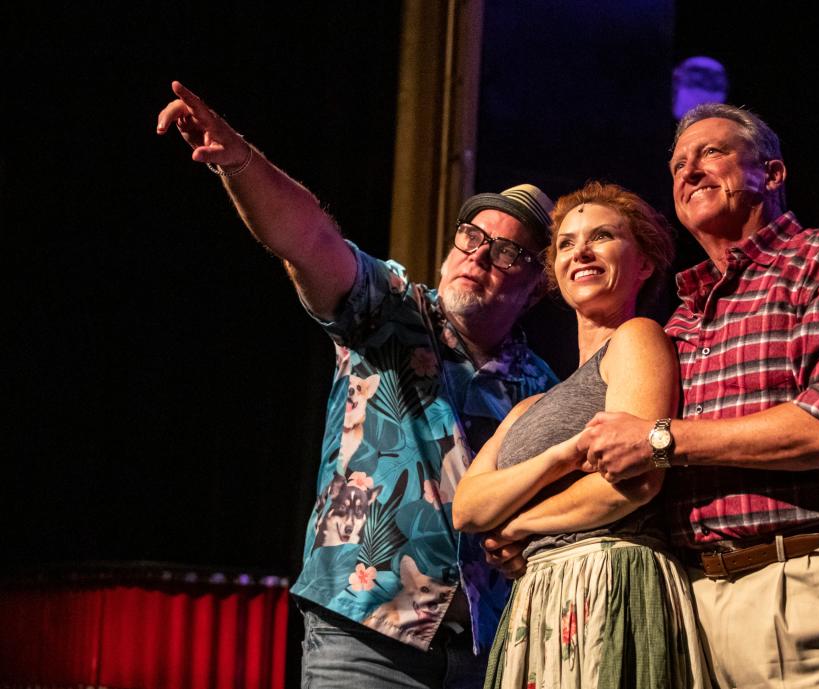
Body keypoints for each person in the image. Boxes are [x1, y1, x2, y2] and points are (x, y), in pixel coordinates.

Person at [156, 81, 559, 689]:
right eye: (471, 237)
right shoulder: (390, 311)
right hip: (366, 638)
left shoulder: (544, 389)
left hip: (492, 652)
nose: (477, 256)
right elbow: (308, 239)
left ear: (535, 287)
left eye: (506, 252)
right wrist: (239, 160)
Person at [578, 104, 819, 688]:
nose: (689, 171)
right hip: (695, 600)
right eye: (678, 164)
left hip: (813, 578)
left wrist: (662, 439)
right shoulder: (682, 324)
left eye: (711, 153)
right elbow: (627, 466)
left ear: (774, 173)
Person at [454, 182, 711, 689]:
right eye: (567, 243)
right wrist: (563, 456)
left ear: (644, 265)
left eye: (602, 237)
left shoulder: (637, 338)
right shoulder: (533, 401)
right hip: (540, 597)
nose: (581, 252)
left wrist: (519, 526)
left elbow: (634, 485)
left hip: (607, 581)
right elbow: (468, 507)